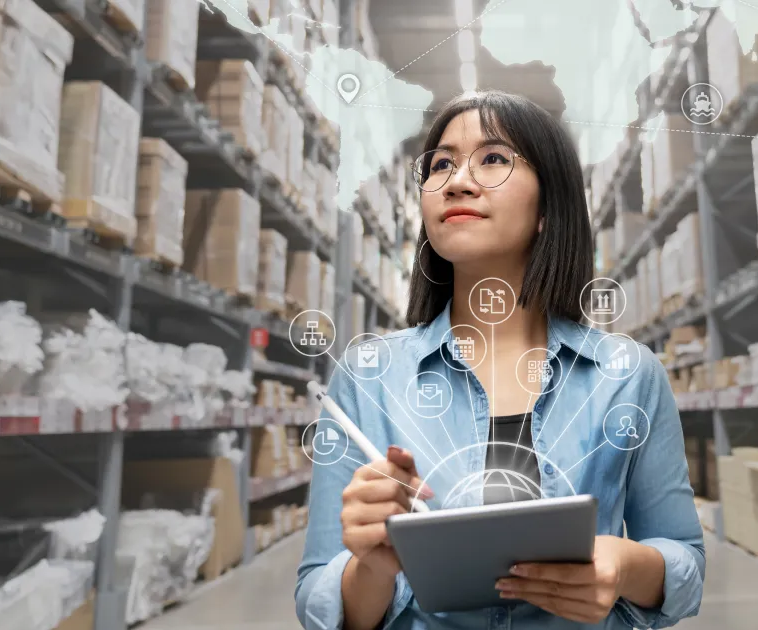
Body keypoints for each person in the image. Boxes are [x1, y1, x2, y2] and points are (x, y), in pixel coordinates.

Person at [295, 90, 705, 630]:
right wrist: (371, 564)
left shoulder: (627, 376)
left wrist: (627, 565)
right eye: (441, 164)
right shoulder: (367, 378)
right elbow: (317, 602)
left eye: (493, 159)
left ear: (547, 209)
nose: (457, 181)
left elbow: (686, 564)